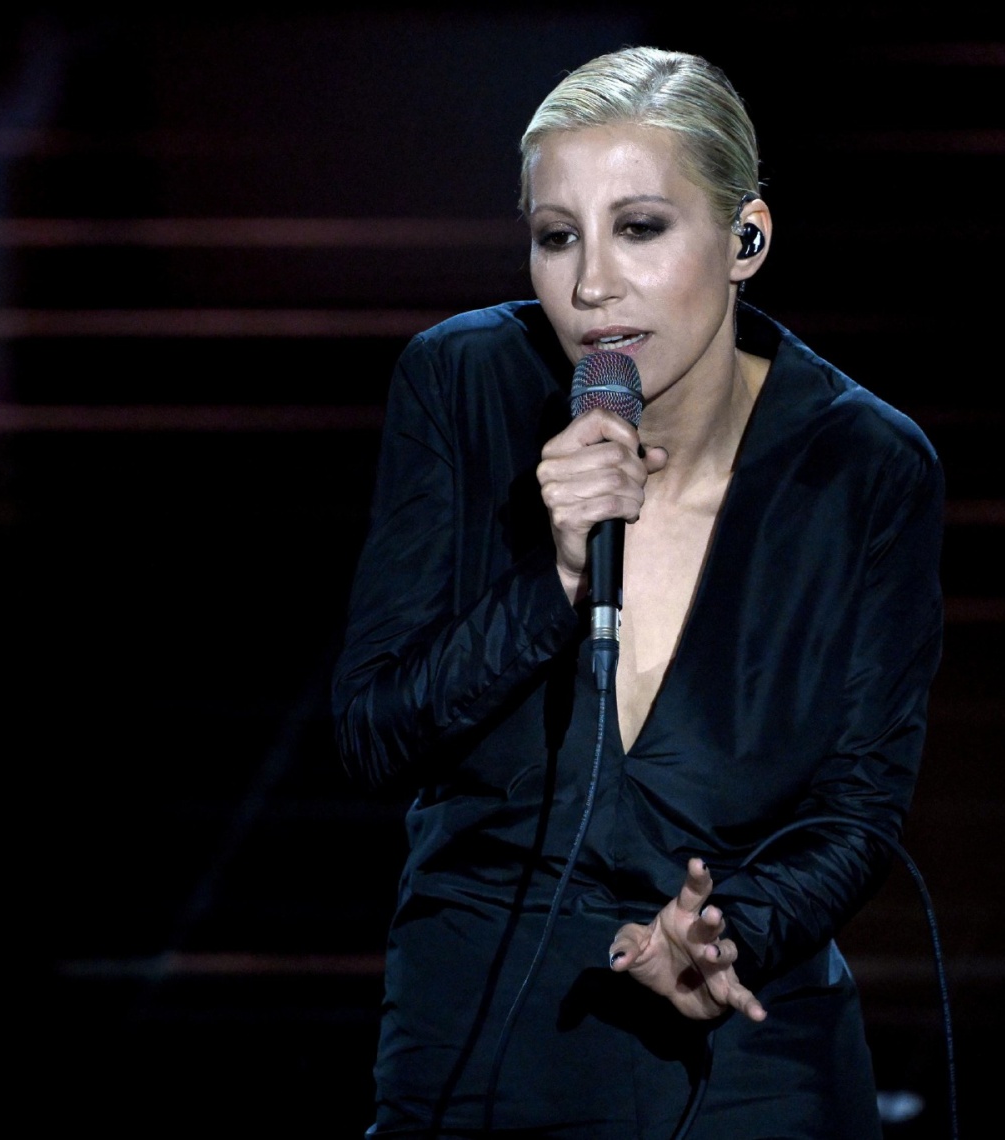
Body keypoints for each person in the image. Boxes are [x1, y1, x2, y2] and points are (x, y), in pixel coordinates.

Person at [332, 45, 943, 1139]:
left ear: (746, 237)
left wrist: (731, 931)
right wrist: (555, 575)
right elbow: (375, 736)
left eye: (642, 228)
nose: (590, 286)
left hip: (742, 1038)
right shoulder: (461, 387)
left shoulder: (864, 466)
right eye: (557, 236)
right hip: (481, 1021)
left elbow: (858, 805)